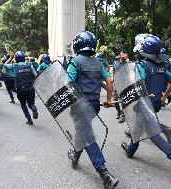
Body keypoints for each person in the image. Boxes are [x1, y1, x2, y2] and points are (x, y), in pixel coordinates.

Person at [121, 35, 171, 179]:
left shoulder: (141, 65)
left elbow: (138, 86)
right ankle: (131, 149)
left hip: (145, 104)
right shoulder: (162, 66)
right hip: (157, 103)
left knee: (153, 134)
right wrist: (164, 97)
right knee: (139, 126)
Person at [67, 31, 119, 189]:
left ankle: (105, 174)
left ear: (78, 45)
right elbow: (109, 81)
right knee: (83, 130)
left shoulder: (75, 61)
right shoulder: (98, 63)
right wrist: (109, 100)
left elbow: (68, 83)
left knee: (87, 135)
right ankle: (75, 156)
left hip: (80, 104)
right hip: (95, 105)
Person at [5, 51, 38, 125]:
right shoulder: (30, 66)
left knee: (23, 105)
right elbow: (35, 75)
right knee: (31, 103)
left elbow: (4, 65)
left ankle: (29, 119)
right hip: (30, 87)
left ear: (16, 58)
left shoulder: (14, 66)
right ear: (24, 58)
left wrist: (10, 58)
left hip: (21, 89)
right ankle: (32, 106)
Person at [112, 50, 128, 124]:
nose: (124, 55)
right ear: (120, 54)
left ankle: (123, 115)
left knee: (123, 101)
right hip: (117, 84)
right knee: (115, 101)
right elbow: (114, 74)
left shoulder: (128, 64)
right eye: (123, 53)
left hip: (125, 84)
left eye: (125, 53)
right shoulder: (115, 63)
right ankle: (119, 111)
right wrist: (113, 84)